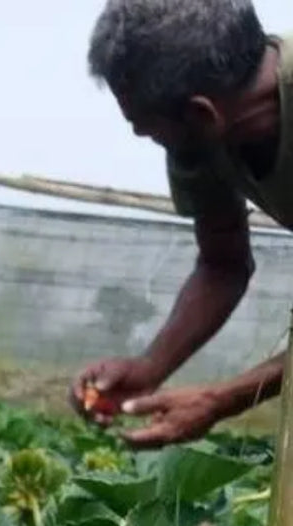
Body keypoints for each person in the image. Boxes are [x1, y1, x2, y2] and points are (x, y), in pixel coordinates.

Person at [73, 0, 293, 448]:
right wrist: (151, 366)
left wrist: (220, 399)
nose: (142, 137)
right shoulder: (209, 133)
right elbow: (222, 262)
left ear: (200, 115)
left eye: (145, 128)